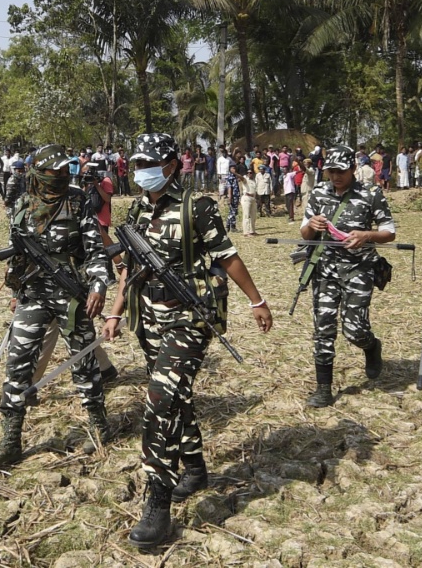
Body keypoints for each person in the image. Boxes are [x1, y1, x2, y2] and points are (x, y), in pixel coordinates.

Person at [100, 132, 273, 549]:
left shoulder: (197, 207)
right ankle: (195, 468)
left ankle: (157, 500)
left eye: (150, 164)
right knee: (176, 396)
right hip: (150, 318)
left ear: (173, 166)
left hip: (189, 319)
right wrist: (116, 310)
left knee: (160, 400)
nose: (142, 172)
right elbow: (129, 266)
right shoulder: (138, 209)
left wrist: (257, 300)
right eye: (137, 164)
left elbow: (227, 255)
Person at [0, 145, 113, 468]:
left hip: (72, 295)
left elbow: (95, 250)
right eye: (54, 172)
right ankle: (11, 440)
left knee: (84, 363)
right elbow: (16, 249)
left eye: (65, 171)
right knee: (17, 363)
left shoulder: (78, 202)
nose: (62, 177)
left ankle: (100, 424)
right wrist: (14, 281)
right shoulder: (23, 205)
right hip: (34, 294)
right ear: (39, 172)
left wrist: (98, 285)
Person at [300, 145, 397, 407]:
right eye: (331, 171)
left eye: (340, 171)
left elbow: (389, 232)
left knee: (355, 329)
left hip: (360, 269)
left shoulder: (371, 193)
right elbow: (304, 233)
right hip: (325, 270)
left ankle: (371, 346)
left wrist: (367, 236)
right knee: (323, 329)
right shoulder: (319, 192)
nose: (335, 176)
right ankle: (323, 388)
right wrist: (311, 225)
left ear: (352, 169)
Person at [241, 168, 259, 236]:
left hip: (253, 198)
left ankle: (252, 231)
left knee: (253, 216)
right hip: (246, 198)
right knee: (246, 215)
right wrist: (235, 173)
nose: (249, 174)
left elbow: (255, 191)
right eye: (248, 173)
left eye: (251, 172)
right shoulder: (245, 179)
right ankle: (246, 232)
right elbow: (241, 178)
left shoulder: (254, 181)